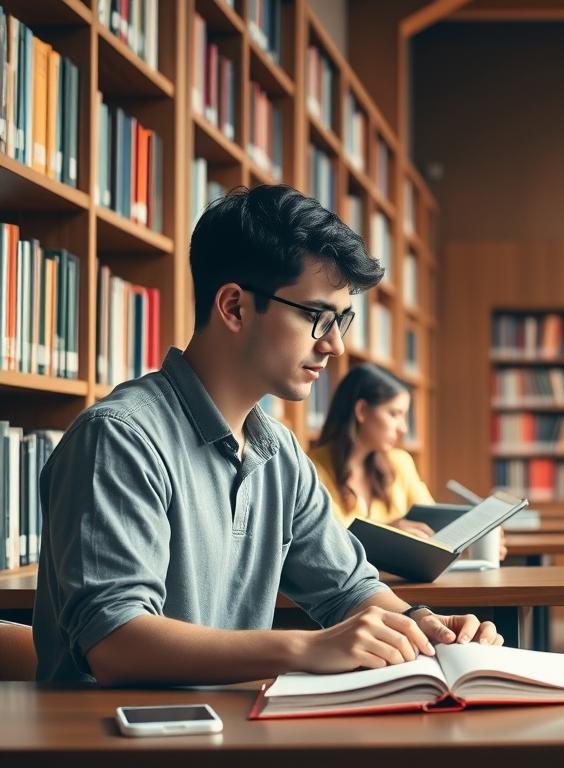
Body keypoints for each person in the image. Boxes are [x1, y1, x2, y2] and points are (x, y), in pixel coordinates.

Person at [33, 185, 502, 686]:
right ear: (234, 307)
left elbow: (347, 588)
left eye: (342, 320)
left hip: (232, 730)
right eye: (318, 316)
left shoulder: (278, 453)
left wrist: (419, 624)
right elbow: (115, 643)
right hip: (114, 741)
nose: (336, 345)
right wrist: (306, 646)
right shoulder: (121, 438)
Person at [308, 363, 506, 556]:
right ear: (361, 411)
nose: (403, 428)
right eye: (394, 414)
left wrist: (476, 536)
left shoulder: (400, 463)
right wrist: (388, 532)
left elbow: (433, 527)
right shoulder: (311, 471)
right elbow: (323, 547)